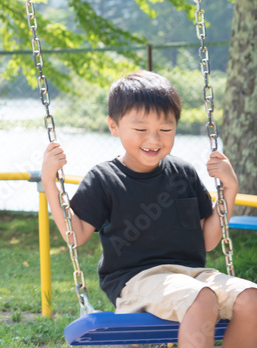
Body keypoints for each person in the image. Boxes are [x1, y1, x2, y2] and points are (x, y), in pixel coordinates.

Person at [42, 70, 257, 348]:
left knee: (251, 298)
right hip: (137, 282)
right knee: (201, 297)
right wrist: (50, 180)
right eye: (141, 130)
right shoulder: (104, 178)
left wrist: (230, 188)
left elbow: (208, 240)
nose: (154, 140)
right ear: (114, 126)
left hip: (192, 276)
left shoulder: (183, 173)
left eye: (165, 130)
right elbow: (76, 235)